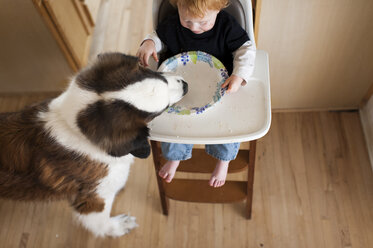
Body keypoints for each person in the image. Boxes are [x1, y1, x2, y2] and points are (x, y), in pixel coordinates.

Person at [136, 0, 256, 187]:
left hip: (220, 87)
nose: (194, 27)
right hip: (180, 85)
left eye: (203, 22)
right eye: (187, 20)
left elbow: (246, 49)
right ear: (178, 6)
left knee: (227, 129)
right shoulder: (173, 23)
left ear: (220, 7)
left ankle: (223, 160)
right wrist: (150, 43)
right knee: (174, 126)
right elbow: (158, 37)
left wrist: (239, 75)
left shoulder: (226, 26)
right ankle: (175, 158)